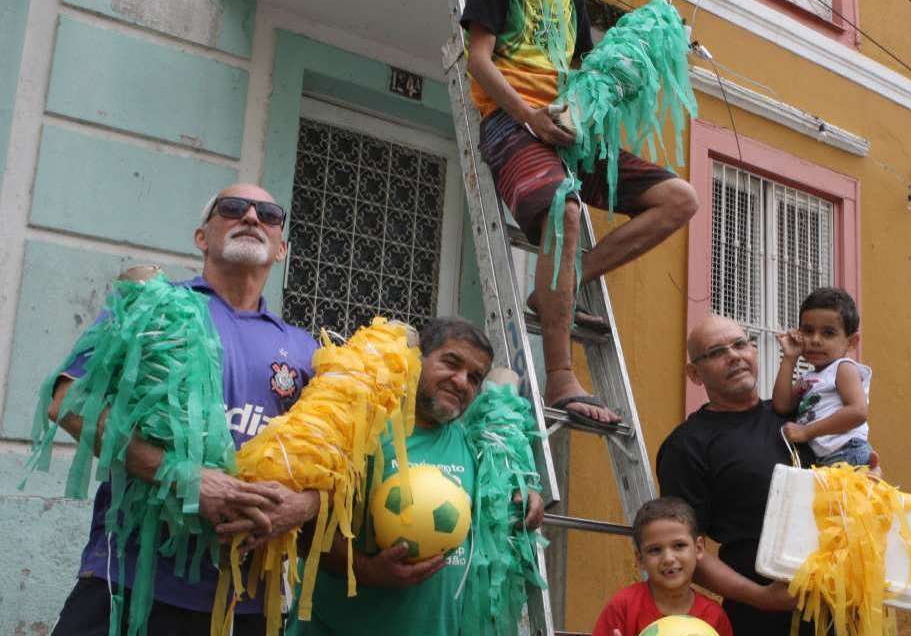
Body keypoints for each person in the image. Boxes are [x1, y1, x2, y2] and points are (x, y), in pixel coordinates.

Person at [48, 184, 323, 635]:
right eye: (232, 208)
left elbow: (336, 472)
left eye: (269, 214)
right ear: (201, 237)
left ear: (282, 249)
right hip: (133, 582)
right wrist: (183, 477)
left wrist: (301, 506)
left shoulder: (305, 349)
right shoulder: (150, 308)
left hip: (247, 603)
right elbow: (67, 402)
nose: (251, 217)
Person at [462, 0, 699, 427]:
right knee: (564, 210)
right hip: (512, 124)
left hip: (567, 130)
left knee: (679, 198)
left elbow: (586, 75)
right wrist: (529, 115)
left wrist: (626, 73)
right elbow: (478, 60)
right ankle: (560, 376)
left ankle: (561, 287)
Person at [291, 316, 545, 636]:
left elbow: (494, 503)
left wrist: (523, 494)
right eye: (451, 363)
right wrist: (367, 571)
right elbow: (303, 530)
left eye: (474, 377)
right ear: (417, 359)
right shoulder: (364, 430)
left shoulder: (470, 445)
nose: (461, 381)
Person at [655, 315, 813, 636]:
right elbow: (683, 547)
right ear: (695, 374)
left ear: (754, 350)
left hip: (842, 607)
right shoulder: (686, 446)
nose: (734, 356)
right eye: (716, 352)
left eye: (740, 344)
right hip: (764, 618)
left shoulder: (800, 415)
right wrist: (763, 598)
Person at [591, 497, 732, 636]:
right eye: (655, 550)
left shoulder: (714, 617)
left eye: (679, 545)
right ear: (640, 559)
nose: (668, 559)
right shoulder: (623, 608)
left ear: (698, 548)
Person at [772, 287, 873, 467]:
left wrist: (806, 432)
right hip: (825, 458)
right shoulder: (808, 378)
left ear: (851, 342)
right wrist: (789, 357)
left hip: (847, 451)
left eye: (828, 333)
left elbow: (858, 412)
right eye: (808, 331)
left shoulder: (843, 368)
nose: (815, 340)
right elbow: (782, 406)